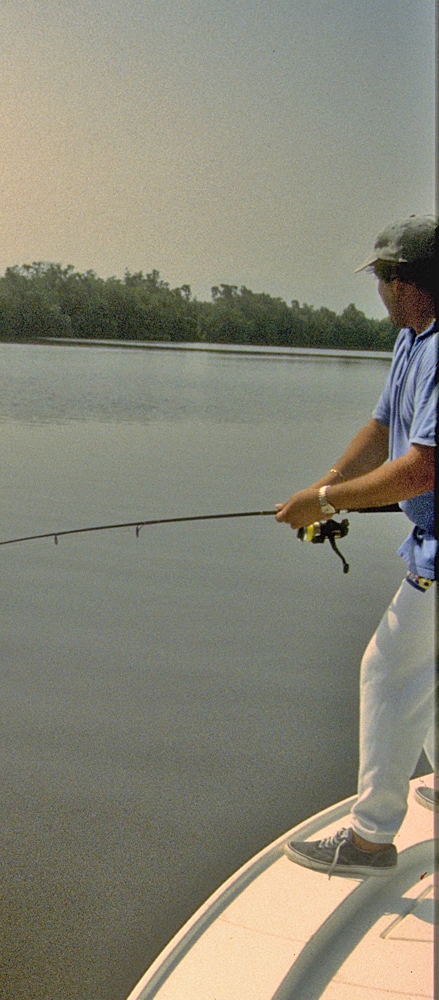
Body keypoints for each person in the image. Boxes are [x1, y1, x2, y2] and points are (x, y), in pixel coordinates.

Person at [275, 214, 437, 877]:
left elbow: (424, 468)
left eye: (379, 279)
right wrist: (328, 484)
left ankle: (369, 839)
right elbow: (381, 426)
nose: (377, 290)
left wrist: (331, 504)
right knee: (424, 670)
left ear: (400, 282)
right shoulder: (411, 341)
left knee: (388, 668)